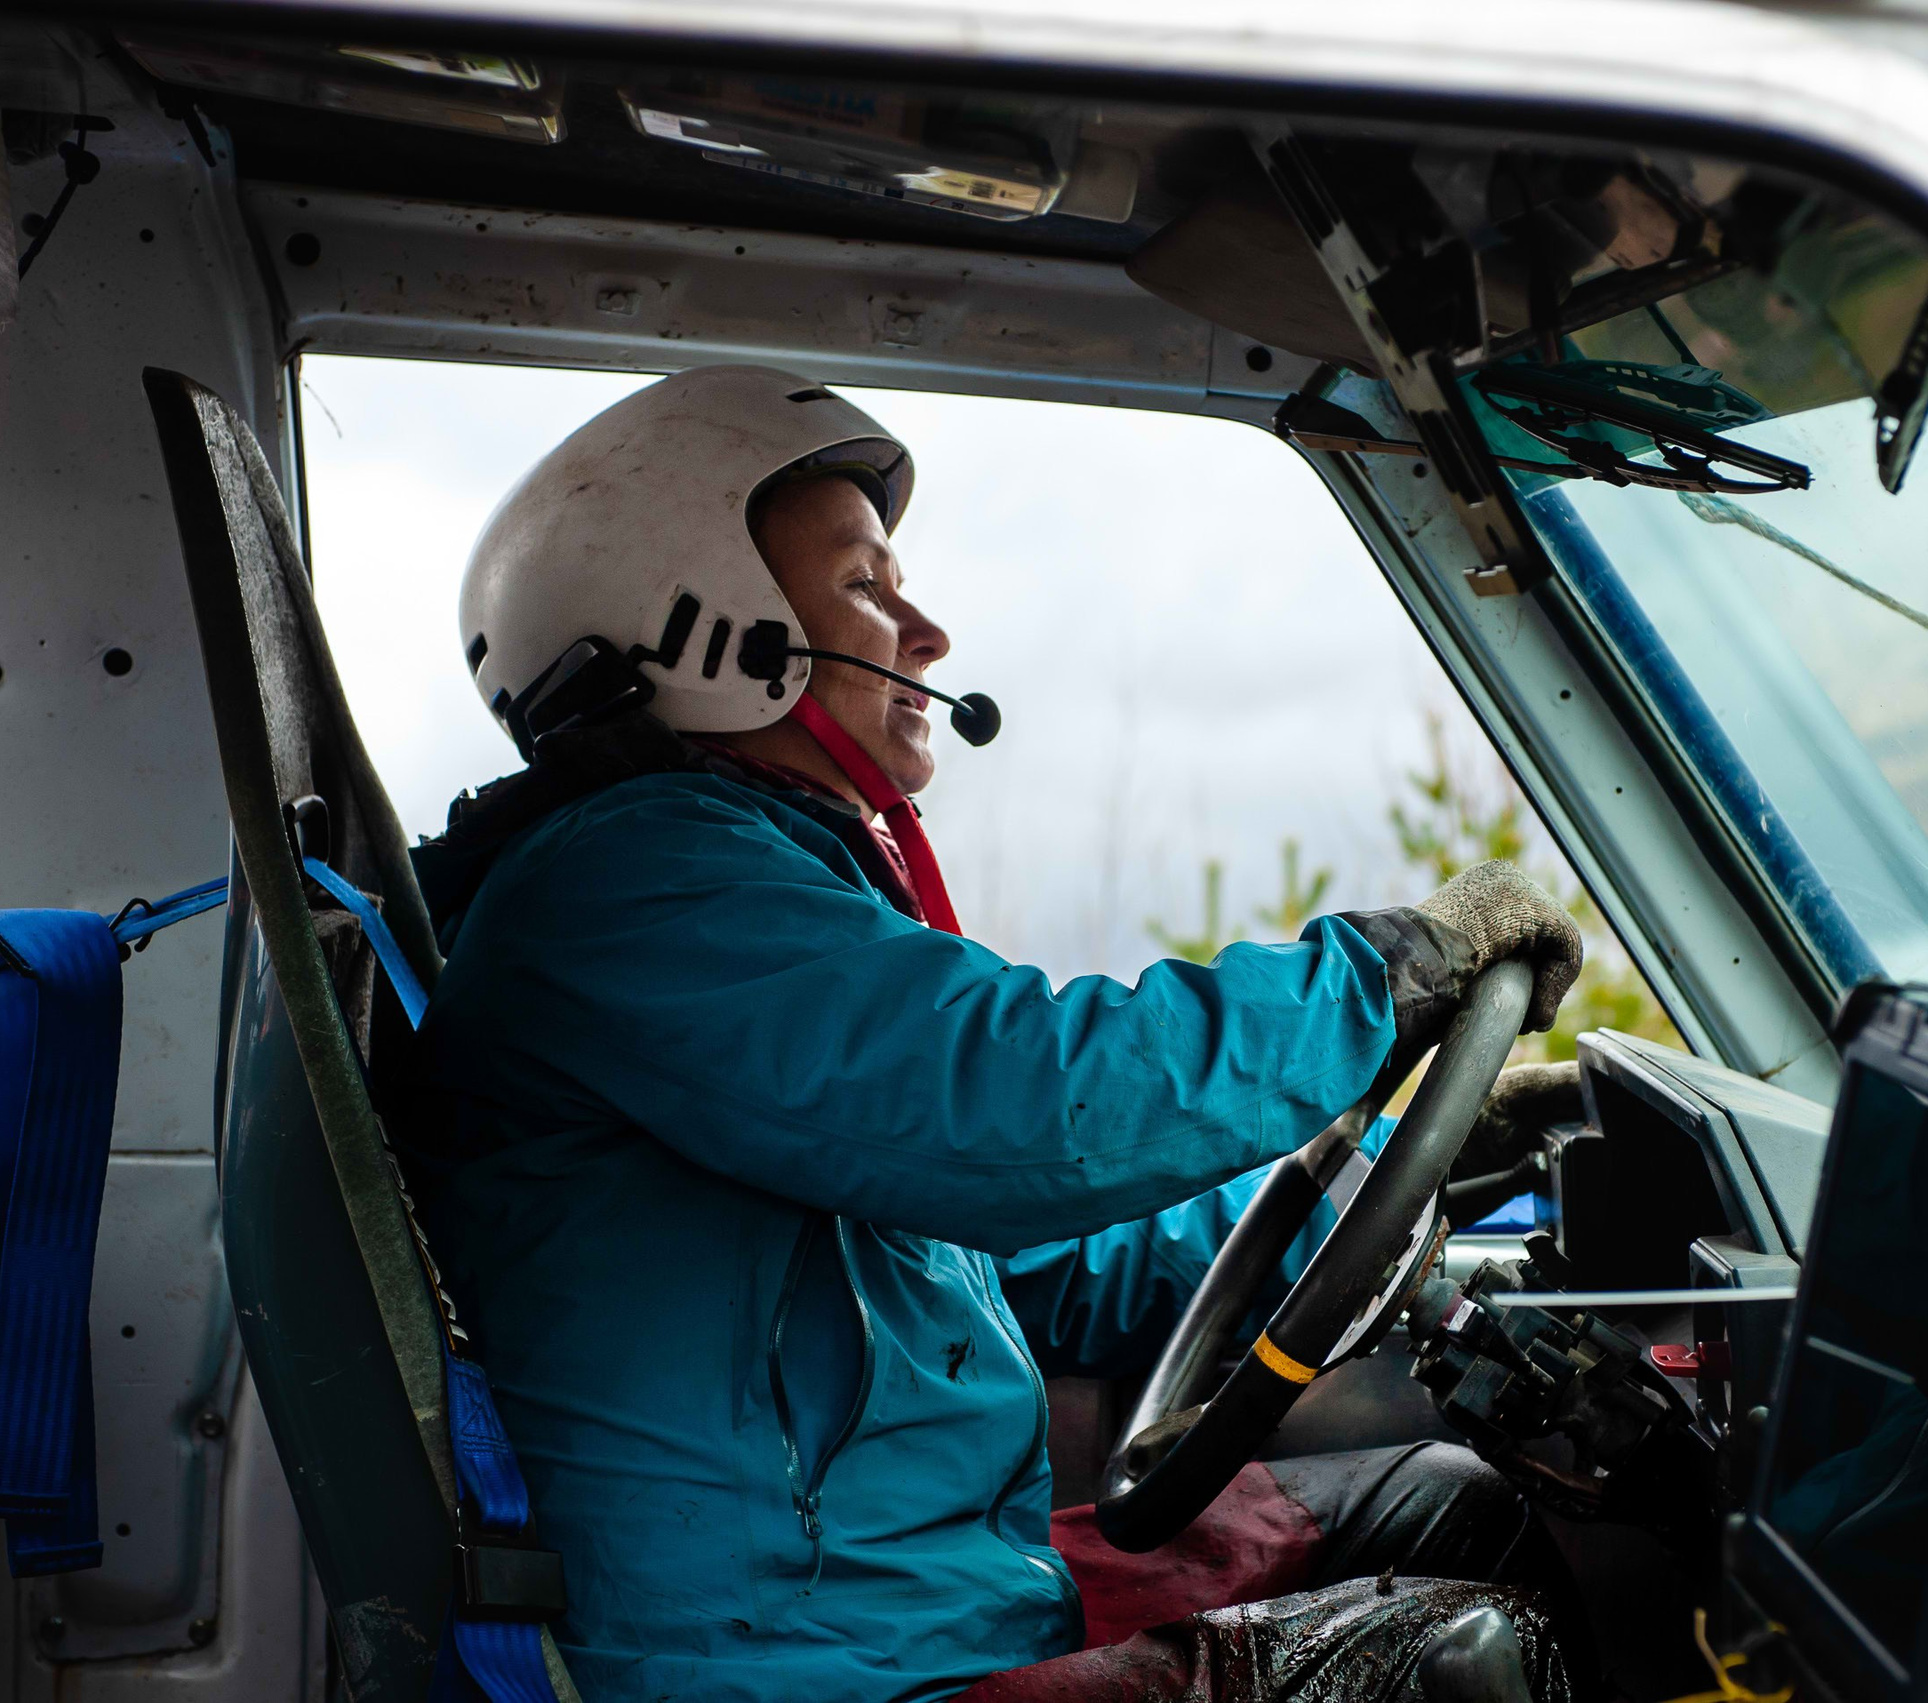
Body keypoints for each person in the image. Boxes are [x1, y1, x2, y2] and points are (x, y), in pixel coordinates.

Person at [408, 367, 1594, 1703]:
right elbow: (1030, 1105)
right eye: (865, 588)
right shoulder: (640, 889)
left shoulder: (746, 894)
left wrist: (1406, 1183)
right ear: (701, 630)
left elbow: (1036, 1252)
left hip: (909, 1602)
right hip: (796, 1668)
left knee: (1453, 1497)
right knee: (1458, 1669)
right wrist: (1386, 979)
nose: (923, 631)